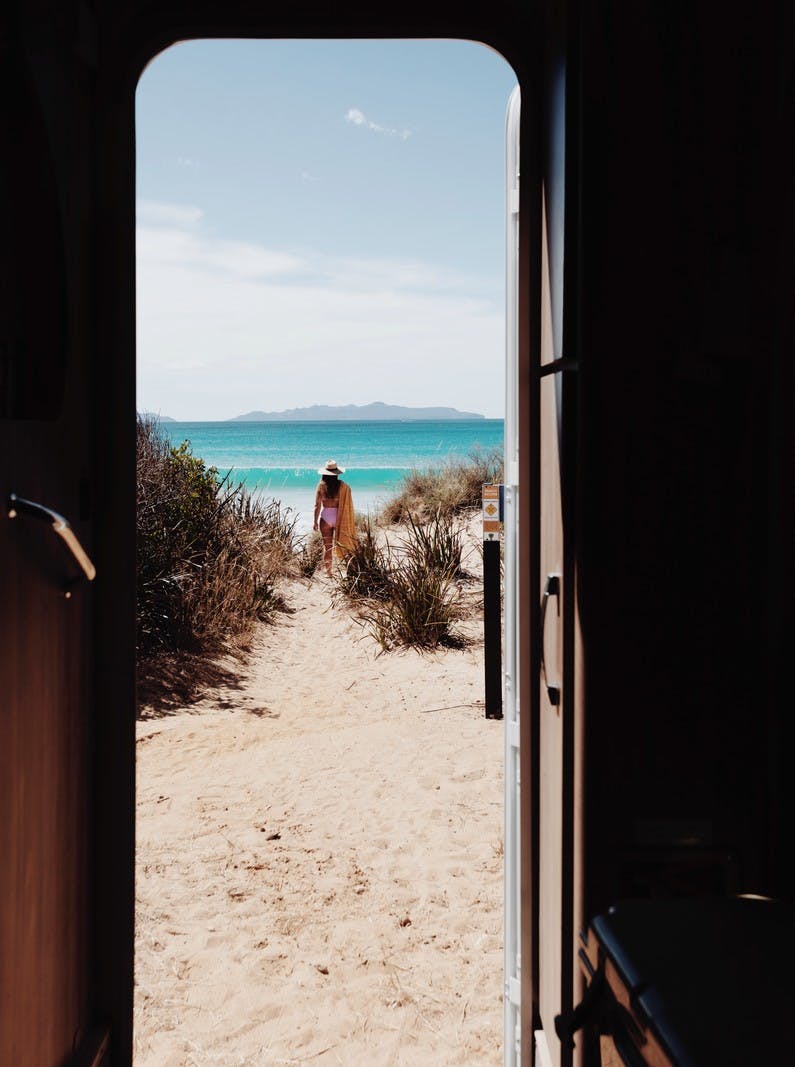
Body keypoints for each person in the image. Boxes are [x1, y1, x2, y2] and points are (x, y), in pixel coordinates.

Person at [312, 460, 357, 575]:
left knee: (327, 548)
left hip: (326, 518)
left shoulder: (321, 486)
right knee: (345, 544)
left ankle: (329, 573)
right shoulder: (343, 486)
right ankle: (349, 570)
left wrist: (315, 522)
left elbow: (317, 506)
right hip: (339, 518)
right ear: (337, 473)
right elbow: (347, 504)